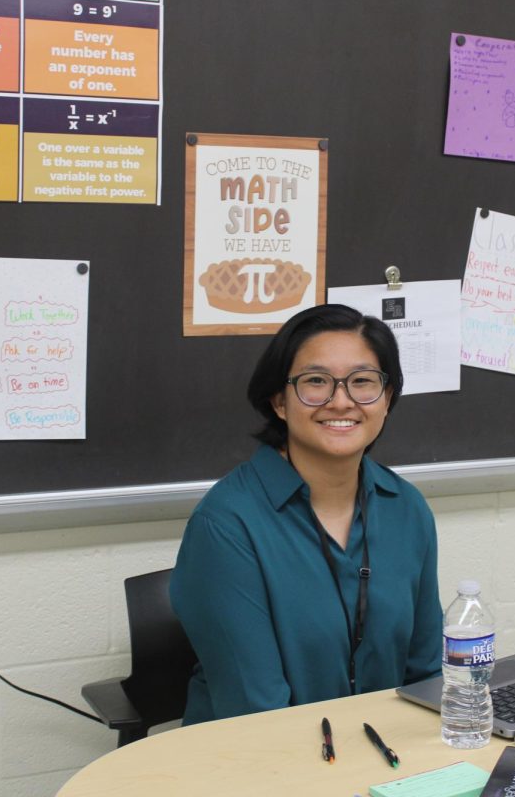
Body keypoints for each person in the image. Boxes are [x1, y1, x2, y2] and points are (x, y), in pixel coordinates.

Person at [170, 303, 442, 724]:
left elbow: (426, 674)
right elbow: (255, 713)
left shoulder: (406, 508)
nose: (341, 401)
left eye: (362, 382)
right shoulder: (226, 525)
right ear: (279, 401)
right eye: (316, 382)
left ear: (386, 399)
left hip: (385, 758)